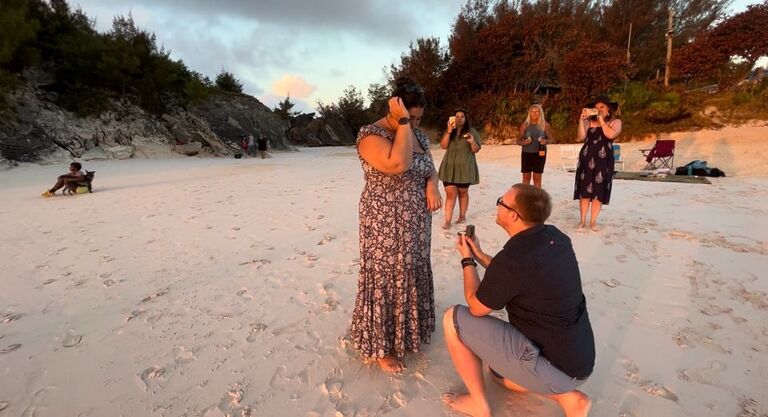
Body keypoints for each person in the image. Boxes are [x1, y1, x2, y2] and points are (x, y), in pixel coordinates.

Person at [442, 184, 595, 417]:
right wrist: (480, 255)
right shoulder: (556, 238)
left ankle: (479, 405)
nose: (498, 205)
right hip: (579, 360)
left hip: (554, 365)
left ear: (513, 215)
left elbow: (476, 306)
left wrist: (467, 261)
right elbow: (517, 275)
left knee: (452, 319)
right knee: (497, 375)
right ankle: (570, 398)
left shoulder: (513, 259)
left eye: (501, 201)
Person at [349, 77, 443, 373]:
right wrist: (402, 123)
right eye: (410, 116)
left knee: (411, 270)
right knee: (387, 277)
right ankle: (381, 347)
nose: (415, 122)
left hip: (416, 222)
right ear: (395, 107)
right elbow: (397, 163)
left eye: (418, 118)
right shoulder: (370, 135)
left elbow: (430, 169)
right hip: (384, 223)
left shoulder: (419, 136)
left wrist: (433, 186)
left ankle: (409, 333)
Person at [574, 95, 622, 232]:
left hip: (604, 159)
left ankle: (593, 221)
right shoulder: (589, 121)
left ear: (608, 110)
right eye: (596, 108)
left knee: (598, 190)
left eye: (602, 107)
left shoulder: (615, 122)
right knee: (585, 189)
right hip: (587, 156)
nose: (598, 110)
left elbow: (610, 135)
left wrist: (601, 120)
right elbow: (581, 137)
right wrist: (581, 120)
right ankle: (582, 220)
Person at [438, 109, 481, 229]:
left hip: (465, 167)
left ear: (466, 119)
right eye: (457, 116)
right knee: (451, 194)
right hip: (449, 166)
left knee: (463, 192)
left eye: (462, 116)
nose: (459, 118)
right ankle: (447, 220)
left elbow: (476, 150)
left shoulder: (472, 131)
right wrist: (448, 131)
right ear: (453, 118)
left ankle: (462, 216)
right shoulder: (450, 130)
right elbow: (443, 146)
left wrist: (472, 141)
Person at [517, 104, 554, 188]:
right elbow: (518, 141)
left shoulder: (545, 125)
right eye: (532, 112)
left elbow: (551, 139)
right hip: (526, 153)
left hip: (540, 154)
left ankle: (537, 199)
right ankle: (525, 198)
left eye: (537, 112)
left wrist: (545, 141)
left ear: (540, 113)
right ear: (529, 113)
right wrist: (525, 143)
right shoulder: (525, 125)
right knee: (526, 177)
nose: (534, 114)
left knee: (537, 177)